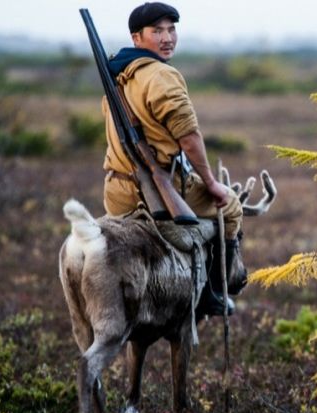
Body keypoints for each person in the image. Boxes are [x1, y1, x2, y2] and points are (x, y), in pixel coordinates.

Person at [100, 2, 242, 315]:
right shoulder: (163, 75)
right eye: (157, 31)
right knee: (231, 205)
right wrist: (211, 183)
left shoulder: (118, 78)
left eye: (171, 29)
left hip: (117, 193)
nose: (167, 38)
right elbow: (189, 138)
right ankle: (214, 293)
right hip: (156, 192)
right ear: (137, 38)